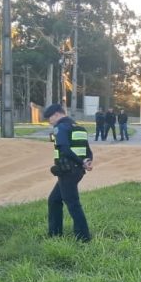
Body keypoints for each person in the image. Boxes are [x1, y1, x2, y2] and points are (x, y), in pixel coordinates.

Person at [44, 103, 92, 242]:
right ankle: (55, 233)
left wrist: (81, 162)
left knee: (73, 204)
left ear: (57, 114)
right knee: (54, 200)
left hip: (67, 171)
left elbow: (64, 149)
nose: (49, 121)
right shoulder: (78, 127)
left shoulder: (60, 127)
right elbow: (88, 151)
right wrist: (87, 161)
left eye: (50, 118)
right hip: (77, 172)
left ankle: (83, 238)